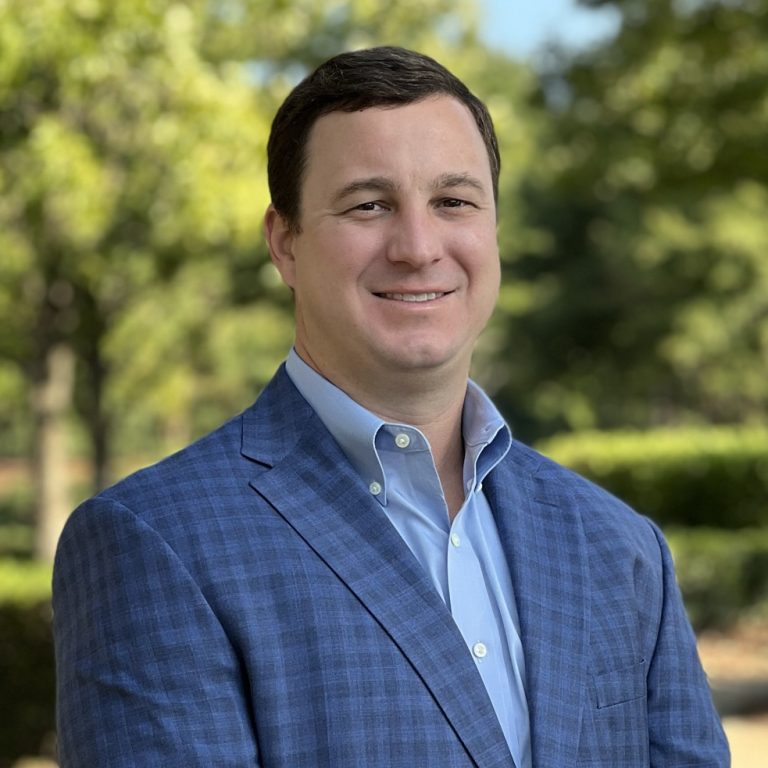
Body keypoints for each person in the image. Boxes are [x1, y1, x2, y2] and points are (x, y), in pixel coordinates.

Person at [53, 46, 729, 767]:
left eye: (453, 202)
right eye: (369, 204)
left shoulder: (617, 545)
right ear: (285, 243)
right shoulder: (155, 543)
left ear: (493, 229)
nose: (417, 246)